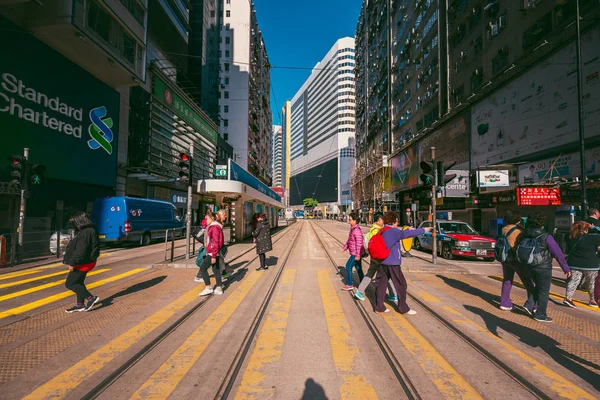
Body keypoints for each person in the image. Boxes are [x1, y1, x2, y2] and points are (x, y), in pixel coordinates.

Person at [376, 211, 432, 315]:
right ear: (393, 221)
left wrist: (406, 230)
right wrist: (424, 229)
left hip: (381, 262)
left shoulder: (382, 230)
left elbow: (401, 233)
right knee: (401, 285)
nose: (397, 223)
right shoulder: (393, 231)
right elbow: (408, 234)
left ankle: (379, 307)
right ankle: (403, 308)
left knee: (381, 285)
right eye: (396, 221)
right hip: (392, 263)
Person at [521, 212, 570, 322]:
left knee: (538, 287)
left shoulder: (524, 234)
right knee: (543, 291)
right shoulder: (546, 237)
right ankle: (540, 314)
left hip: (528, 266)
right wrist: (565, 268)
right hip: (543, 267)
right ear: (542, 224)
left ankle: (529, 304)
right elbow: (558, 253)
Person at [354, 213, 398, 302]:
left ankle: (359, 291)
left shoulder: (373, 228)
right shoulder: (377, 230)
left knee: (370, 274)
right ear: (378, 221)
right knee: (387, 275)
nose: (384, 221)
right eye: (382, 220)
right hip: (380, 257)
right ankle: (393, 295)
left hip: (374, 256)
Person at [62, 212, 101, 313]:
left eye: (75, 223)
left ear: (80, 222)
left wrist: (72, 263)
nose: (75, 226)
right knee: (78, 283)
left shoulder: (85, 233)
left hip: (82, 263)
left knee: (70, 284)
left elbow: (81, 251)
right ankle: (80, 305)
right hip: (88, 261)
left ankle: (91, 298)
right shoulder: (91, 230)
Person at [498, 211, 536, 311]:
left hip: (505, 258)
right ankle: (532, 304)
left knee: (507, 279)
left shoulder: (504, 229)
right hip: (515, 259)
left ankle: (505, 302)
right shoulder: (518, 231)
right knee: (528, 281)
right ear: (518, 220)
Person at [563, 221, 600, 308]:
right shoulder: (590, 238)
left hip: (574, 263)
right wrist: (594, 228)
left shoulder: (569, 237)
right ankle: (592, 300)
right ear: (586, 229)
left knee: (573, 281)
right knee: (591, 283)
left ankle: (568, 298)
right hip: (590, 264)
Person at [198, 211, 225, 296]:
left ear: (212, 218)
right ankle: (219, 287)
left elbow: (215, 242)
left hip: (212, 252)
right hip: (214, 252)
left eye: (207, 219)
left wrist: (213, 255)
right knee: (216, 269)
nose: (205, 221)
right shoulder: (215, 226)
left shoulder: (214, 227)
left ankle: (208, 287)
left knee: (203, 268)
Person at [341, 212, 364, 290]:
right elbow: (350, 240)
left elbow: (359, 244)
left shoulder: (356, 231)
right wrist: (345, 247)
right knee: (358, 269)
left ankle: (349, 284)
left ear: (355, 221)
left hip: (355, 253)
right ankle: (363, 284)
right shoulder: (353, 229)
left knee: (348, 266)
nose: (349, 222)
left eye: (350, 220)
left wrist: (358, 255)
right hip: (355, 252)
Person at [216, 208, 230, 279]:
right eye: (224, 215)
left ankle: (223, 273)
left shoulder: (220, 223)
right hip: (216, 246)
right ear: (220, 215)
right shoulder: (216, 224)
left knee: (220, 260)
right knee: (208, 262)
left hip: (219, 246)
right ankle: (200, 275)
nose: (226, 216)